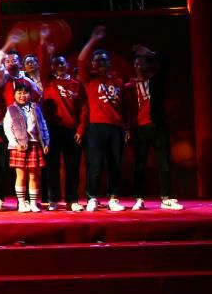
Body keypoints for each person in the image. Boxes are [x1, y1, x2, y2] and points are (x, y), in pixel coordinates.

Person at [78, 26, 131, 212]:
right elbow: (81, 60)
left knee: (115, 164)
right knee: (95, 163)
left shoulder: (119, 82)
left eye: (104, 60)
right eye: (97, 60)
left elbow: (125, 108)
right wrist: (93, 40)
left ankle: (113, 198)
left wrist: (126, 128)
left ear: (109, 63)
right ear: (93, 63)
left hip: (116, 127)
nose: (101, 63)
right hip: (96, 126)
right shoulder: (89, 79)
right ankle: (92, 197)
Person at [128, 45, 182, 210]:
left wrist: (149, 53)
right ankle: (139, 198)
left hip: (157, 125)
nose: (139, 66)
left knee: (164, 162)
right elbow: (125, 108)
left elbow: (166, 62)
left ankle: (166, 198)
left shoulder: (156, 80)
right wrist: (127, 128)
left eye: (142, 63)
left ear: (148, 65)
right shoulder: (130, 85)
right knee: (139, 164)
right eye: (136, 63)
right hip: (139, 128)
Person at [41, 46, 86, 211]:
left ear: (67, 65)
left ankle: (72, 200)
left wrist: (80, 130)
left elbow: (84, 109)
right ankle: (53, 200)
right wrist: (44, 46)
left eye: (62, 63)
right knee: (52, 166)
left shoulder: (76, 85)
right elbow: (43, 65)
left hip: (71, 130)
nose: (59, 66)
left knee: (72, 166)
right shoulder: (49, 81)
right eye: (56, 64)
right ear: (52, 67)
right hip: (52, 129)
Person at [3, 82, 50, 213]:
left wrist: (46, 142)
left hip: (34, 143)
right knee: (21, 175)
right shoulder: (11, 109)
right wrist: (15, 143)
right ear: (14, 95)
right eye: (19, 93)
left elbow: (43, 125)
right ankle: (22, 203)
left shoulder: (36, 108)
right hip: (19, 145)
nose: (22, 96)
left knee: (34, 175)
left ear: (30, 94)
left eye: (25, 93)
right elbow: (7, 129)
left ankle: (33, 203)